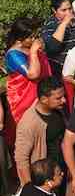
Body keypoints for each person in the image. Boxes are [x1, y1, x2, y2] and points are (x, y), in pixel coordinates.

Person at [4, 18, 52, 146]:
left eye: (35, 35)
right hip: (24, 102)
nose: (34, 39)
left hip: (42, 96)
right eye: (30, 37)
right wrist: (33, 52)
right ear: (19, 39)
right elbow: (33, 74)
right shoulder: (13, 54)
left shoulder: (31, 46)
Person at [15, 77, 67, 193]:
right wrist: (31, 190)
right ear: (44, 99)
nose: (64, 100)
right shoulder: (28, 123)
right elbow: (21, 159)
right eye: (58, 98)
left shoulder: (58, 110)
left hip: (59, 174)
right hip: (44, 182)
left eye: (63, 96)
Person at [41, 0, 75, 78]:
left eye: (70, 9)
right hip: (58, 71)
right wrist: (64, 24)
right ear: (54, 10)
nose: (68, 13)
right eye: (63, 10)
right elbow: (52, 47)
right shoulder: (50, 24)